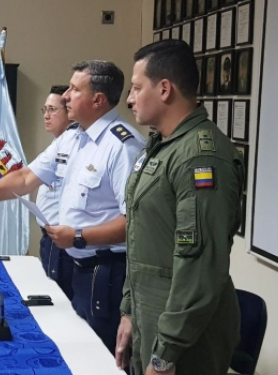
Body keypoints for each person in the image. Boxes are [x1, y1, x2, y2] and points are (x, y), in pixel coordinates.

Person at [0, 60, 145, 354]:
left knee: (101, 357)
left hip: (108, 275)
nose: (65, 96)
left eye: (74, 89)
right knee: (76, 351)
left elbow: (136, 225)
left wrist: (78, 236)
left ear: (98, 99)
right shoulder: (72, 138)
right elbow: (26, 177)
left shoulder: (122, 146)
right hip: (79, 269)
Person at [116, 40, 243, 375]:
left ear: (165, 89)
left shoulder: (200, 156)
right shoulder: (159, 147)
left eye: (136, 88)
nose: (129, 99)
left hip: (187, 339)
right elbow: (139, 237)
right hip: (150, 318)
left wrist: (166, 352)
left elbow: (200, 266)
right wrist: (129, 311)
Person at [36, 85, 76, 300]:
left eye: (52, 109)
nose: (46, 116)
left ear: (68, 111)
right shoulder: (58, 143)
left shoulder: (74, 144)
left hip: (63, 240)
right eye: (44, 109)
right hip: (50, 238)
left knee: (62, 300)